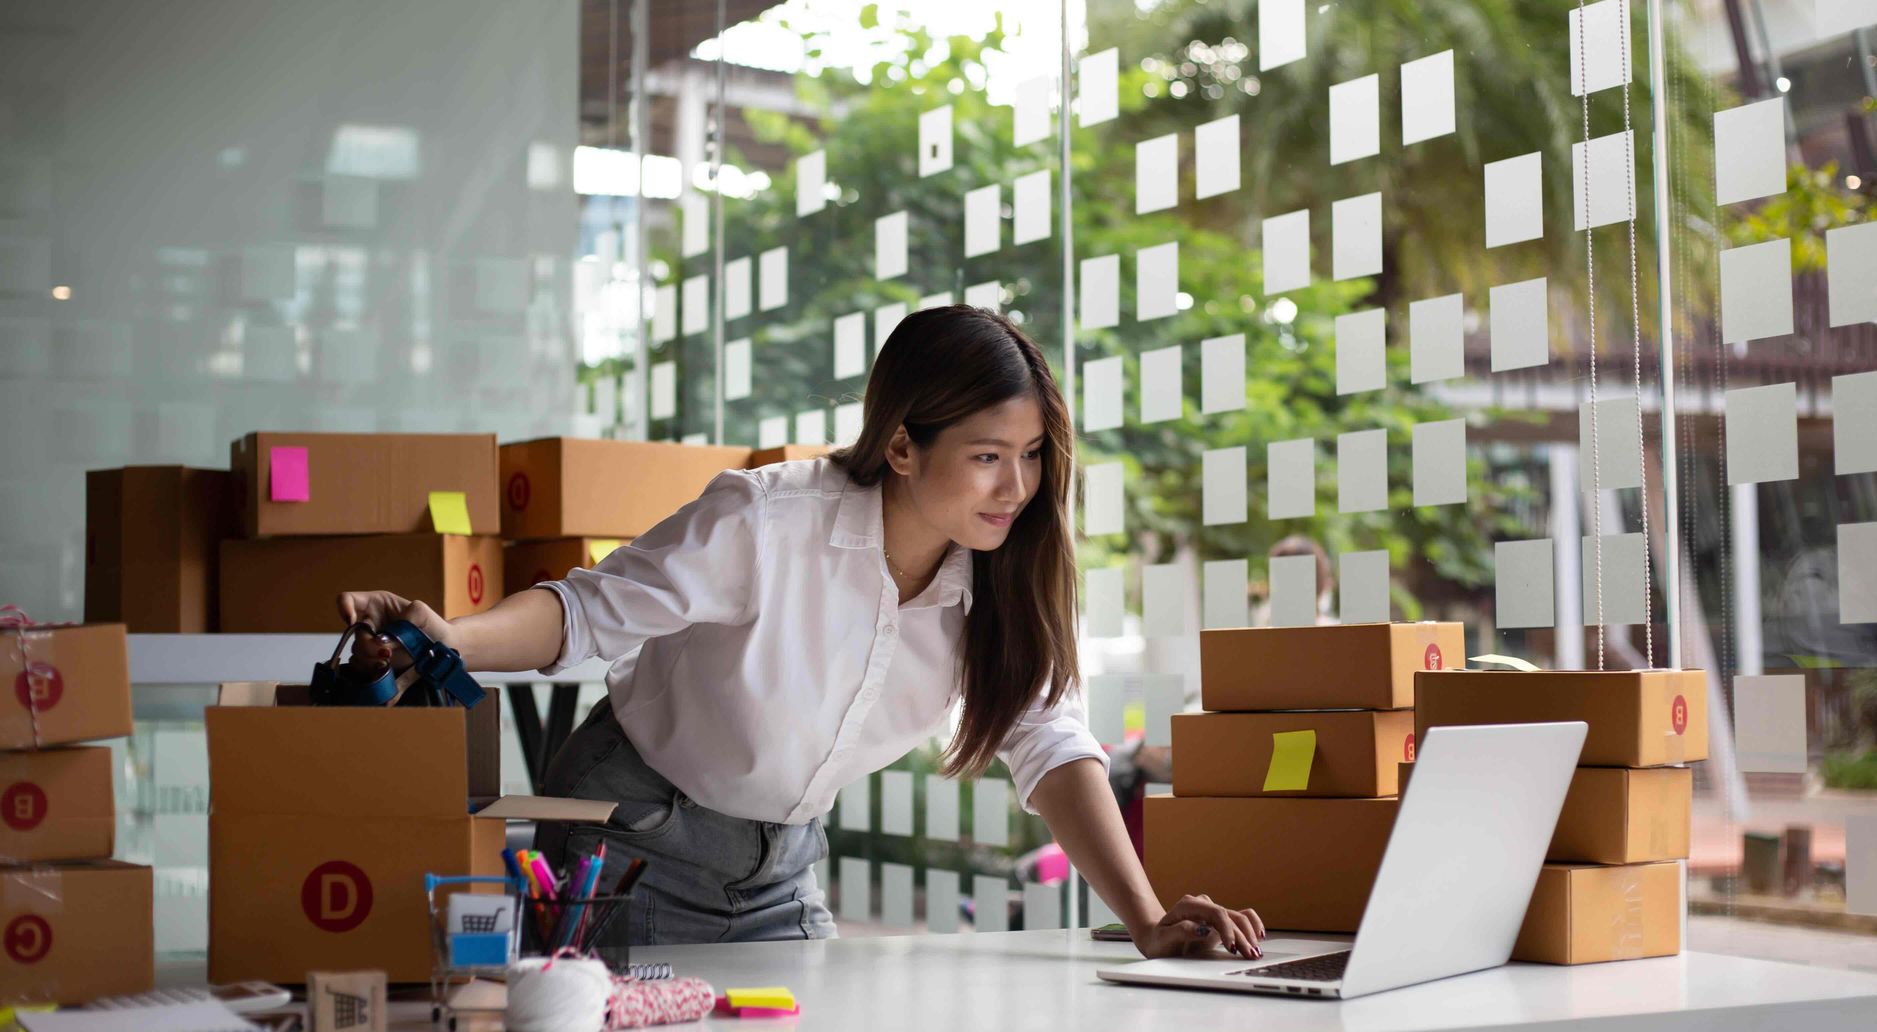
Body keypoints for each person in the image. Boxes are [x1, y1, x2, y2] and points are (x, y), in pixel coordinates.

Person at [336, 307, 1265, 958]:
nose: (1016, 488)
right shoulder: (767, 521)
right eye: (986, 457)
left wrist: (1146, 919)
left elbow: (1051, 741)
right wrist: (446, 636)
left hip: (783, 869)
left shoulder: (1009, 580)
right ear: (902, 445)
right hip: (635, 848)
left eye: (1029, 457)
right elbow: (588, 611)